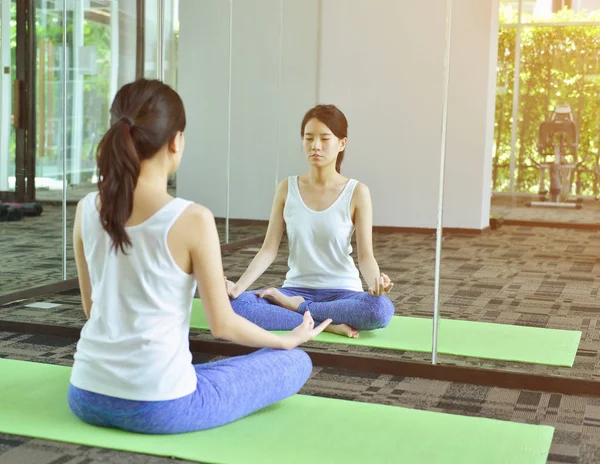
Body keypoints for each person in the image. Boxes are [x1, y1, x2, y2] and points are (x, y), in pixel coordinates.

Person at [67, 79, 331, 435]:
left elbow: (92, 308)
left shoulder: (85, 209)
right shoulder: (192, 219)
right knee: (293, 362)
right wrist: (286, 340)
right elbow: (222, 325)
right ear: (175, 141)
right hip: (161, 407)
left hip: (85, 395)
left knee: (209, 371)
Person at [227, 105, 395, 339]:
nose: (315, 146)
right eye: (309, 138)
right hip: (295, 288)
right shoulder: (286, 188)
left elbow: (365, 256)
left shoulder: (357, 192)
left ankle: (301, 311)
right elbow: (268, 249)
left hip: (343, 294)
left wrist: (376, 286)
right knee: (236, 305)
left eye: (325, 138)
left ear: (342, 144)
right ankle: (328, 323)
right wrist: (238, 288)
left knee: (380, 310)